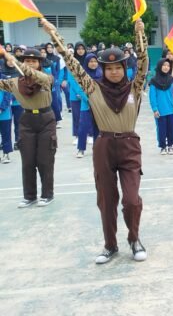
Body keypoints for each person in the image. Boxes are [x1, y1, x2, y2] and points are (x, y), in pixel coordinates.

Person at [46, 18, 149, 264]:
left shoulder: (135, 87)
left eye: (118, 67)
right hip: (104, 146)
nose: (114, 72)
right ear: (103, 69)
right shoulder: (92, 88)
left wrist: (141, 36)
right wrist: (54, 36)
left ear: (124, 68)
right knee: (106, 199)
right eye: (108, 68)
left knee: (131, 200)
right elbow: (72, 63)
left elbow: (143, 64)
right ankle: (110, 245)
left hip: (129, 146)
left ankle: (134, 239)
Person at [0, 47, 56, 208]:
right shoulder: (14, 82)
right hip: (27, 120)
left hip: (46, 120)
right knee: (28, 161)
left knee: (45, 160)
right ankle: (29, 196)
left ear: (39, 63)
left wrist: (15, 61)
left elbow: (34, 75)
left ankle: (47, 195)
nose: (30, 63)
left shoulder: (46, 78)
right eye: (27, 61)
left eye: (33, 61)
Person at [149, 58, 173, 155]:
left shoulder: (172, 80)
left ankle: (170, 145)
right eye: (164, 65)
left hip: (172, 110)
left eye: (168, 66)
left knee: (172, 129)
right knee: (161, 130)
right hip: (160, 111)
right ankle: (163, 146)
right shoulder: (153, 81)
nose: (166, 67)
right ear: (159, 66)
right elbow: (152, 96)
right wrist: (155, 109)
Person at [75, 53, 102, 158]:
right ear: (86, 63)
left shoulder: (101, 73)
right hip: (86, 105)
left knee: (97, 127)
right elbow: (79, 89)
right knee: (83, 127)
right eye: (91, 61)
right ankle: (81, 149)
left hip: (98, 105)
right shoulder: (82, 75)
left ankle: (96, 148)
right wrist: (89, 100)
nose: (93, 63)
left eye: (95, 61)